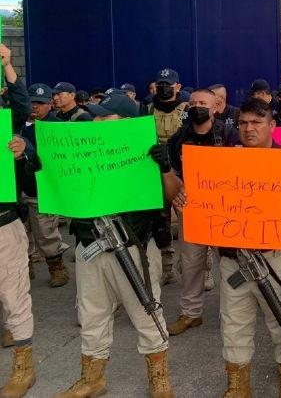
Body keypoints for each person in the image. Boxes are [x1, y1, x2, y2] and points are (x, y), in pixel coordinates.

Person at [174, 97, 281, 398]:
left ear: (272, 125)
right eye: (243, 123)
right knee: (233, 325)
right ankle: (238, 387)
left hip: (276, 260)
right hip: (233, 260)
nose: (249, 128)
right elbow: (201, 200)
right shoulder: (220, 163)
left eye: (257, 122)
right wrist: (185, 199)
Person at [52, 93, 183, 398]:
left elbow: (174, 195)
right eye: (95, 115)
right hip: (90, 246)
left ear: (125, 121)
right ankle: (92, 378)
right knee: (91, 315)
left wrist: (163, 167)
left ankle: (159, 378)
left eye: (104, 116)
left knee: (147, 313)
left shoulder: (144, 151)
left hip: (133, 247)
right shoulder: (82, 148)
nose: (95, 120)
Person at [164, 89, 237, 337]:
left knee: (229, 264)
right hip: (192, 212)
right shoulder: (179, 138)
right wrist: (177, 193)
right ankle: (190, 313)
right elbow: (172, 173)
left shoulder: (229, 134)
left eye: (203, 103)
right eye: (193, 103)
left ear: (215, 107)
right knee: (191, 264)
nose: (197, 107)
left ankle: (233, 313)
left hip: (225, 212)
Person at [0, 43, 37, 398]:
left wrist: (8, 65)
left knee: (14, 296)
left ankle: (24, 367)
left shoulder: (5, 125)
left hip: (3, 223)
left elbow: (21, 107)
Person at [19, 84, 70, 288]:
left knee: (46, 231)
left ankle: (57, 268)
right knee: (21, 233)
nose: (35, 106)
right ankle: (25, 268)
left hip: (42, 190)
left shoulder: (56, 126)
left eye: (40, 103)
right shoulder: (18, 124)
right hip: (18, 187)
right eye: (32, 102)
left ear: (50, 104)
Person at [147, 68, 188, 286]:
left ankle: (205, 269)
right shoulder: (147, 109)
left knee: (191, 221)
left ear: (178, 87)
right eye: (160, 84)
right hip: (155, 172)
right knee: (160, 222)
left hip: (181, 172)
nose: (164, 88)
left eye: (168, 84)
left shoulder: (187, 110)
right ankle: (167, 267)